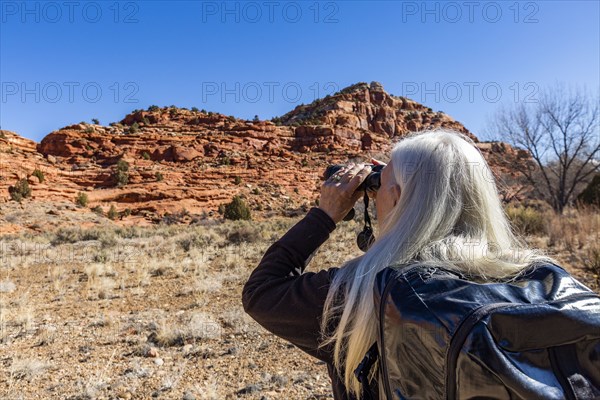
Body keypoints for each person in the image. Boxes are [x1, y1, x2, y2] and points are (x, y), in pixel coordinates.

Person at [242, 129, 554, 399]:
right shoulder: (539, 278)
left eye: (381, 185)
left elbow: (262, 291)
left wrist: (325, 215)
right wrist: (399, 173)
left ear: (396, 196)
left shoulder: (368, 293)